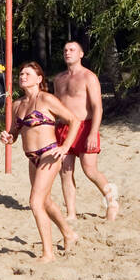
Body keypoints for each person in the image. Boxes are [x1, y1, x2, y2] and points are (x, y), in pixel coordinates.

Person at [0, 62, 79, 263]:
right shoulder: (18, 105)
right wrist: (8, 138)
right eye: (21, 73)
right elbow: (15, 134)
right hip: (31, 158)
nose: (22, 76)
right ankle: (69, 234)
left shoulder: (47, 99)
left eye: (27, 73)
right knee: (46, 201)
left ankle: (48, 254)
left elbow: (74, 120)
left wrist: (65, 146)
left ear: (39, 79)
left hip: (49, 154)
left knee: (35, 202)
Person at [52, 40, 119, 221]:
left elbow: (98, 107)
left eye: (72, 50)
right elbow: (57, 106)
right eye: (65, 50)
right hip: (64, 127)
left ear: (81, 54)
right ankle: (71, 213)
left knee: (89, 169)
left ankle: (111, 200)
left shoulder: (89, 77)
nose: (68, 52)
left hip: (85, 126)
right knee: (65, 171)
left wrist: (92, 132)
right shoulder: (58, 79)